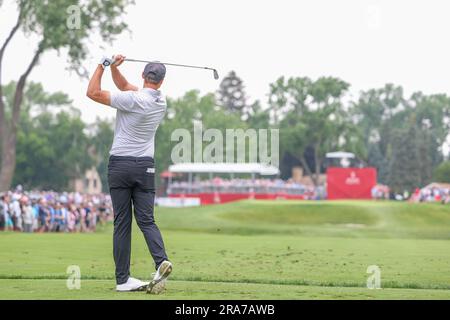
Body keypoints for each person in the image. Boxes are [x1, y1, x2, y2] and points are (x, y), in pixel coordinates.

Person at [86, 54, 172, 293]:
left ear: (143, 76)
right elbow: (124, 86)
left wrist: (102, 65)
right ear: (161, 82)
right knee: (146, 219)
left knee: (122, 223)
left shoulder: (133, 99)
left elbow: (92, 92)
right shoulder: (160, 102)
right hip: (146, 167)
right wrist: (114, 68)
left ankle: (123, 279)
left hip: (121, 166)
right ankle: (161, 261)